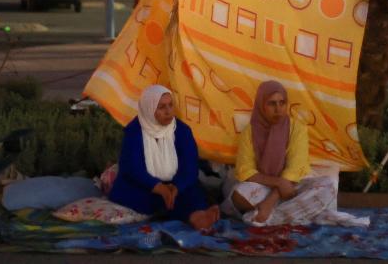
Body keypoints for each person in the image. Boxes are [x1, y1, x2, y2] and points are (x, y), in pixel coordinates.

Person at [225, 80, 338, 226]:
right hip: (264, 185)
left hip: (294, 186)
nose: (278, 109)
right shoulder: (250, 131)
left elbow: (295, 169)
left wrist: (270, 202)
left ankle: (267, 217)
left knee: (328, 185)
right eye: (271, 103)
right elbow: (245, 170)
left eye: (282, 102)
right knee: (238, 196)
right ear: (261, 105)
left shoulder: (297, 128)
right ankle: (298, 214)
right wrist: (278, 183)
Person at [107, 84, 219, 230]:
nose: (168, 112)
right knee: (148, 197)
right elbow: (133, 168)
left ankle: (198, 217)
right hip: (144, 185)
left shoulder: (182, 131)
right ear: (149, 108)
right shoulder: (134, 131)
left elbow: (190, 168)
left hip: (174, 185)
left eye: (170, 105)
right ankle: (193, 216)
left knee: (190, 193)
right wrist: (159, 187)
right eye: (161, 107)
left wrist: (176, 187)